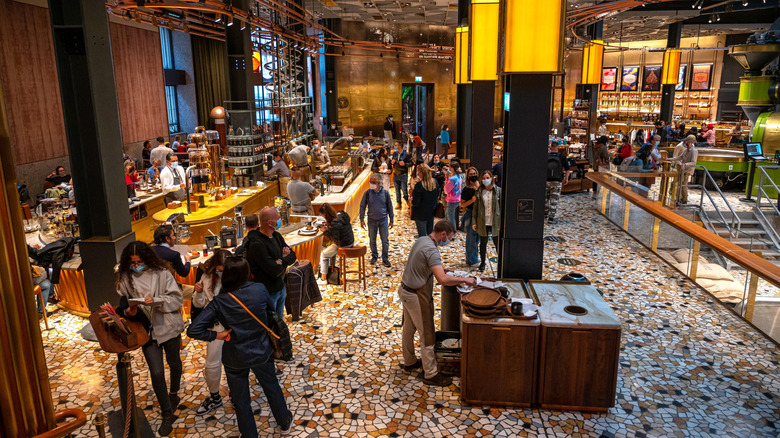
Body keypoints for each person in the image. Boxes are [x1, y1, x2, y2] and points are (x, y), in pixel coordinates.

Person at [187, 256, 294, 437]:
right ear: (247, 272)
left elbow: (193, 329)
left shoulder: (221, 300)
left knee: (241, 399)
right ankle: (284, 422)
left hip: (235, 355)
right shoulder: (259, 289)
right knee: (271, 386)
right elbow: (271, 312)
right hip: (261, 349)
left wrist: (217, 335)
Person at [114, 241, 183, 436]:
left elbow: (177, 299)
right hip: (147, 332)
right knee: (157, 373)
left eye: (139, 262)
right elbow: (123, 307)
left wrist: (157, 301)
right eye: (133, 263)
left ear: (147, 259)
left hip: (168, 326)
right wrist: (129, 311)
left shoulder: (162, 274)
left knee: (174, 362)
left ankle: (174, 393)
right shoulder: (126, 278)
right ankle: (167, 413)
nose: (136, 266)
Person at [398, 219, 477, 386]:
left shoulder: (422, 239)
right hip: (415, 295)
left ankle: (410, 361)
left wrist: (442, 269)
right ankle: (431, 374)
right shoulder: (432, 251)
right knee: (427, 333)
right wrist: (464, 279)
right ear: (443, 234)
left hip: (405, 290)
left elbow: (426, 266)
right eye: (449, 237)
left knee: (409, 328)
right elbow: (442, 279)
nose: (448, 240)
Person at [191, 249, 231, 415]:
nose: (221, 274)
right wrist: (199, 293)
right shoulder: (206, 277)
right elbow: (199, 305)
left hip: (233, 325)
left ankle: (237, 394)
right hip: (215, 327)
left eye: (224, 270)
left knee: (234, 362)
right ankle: (215, 397)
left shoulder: (236, 277)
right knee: (212, 364)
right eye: (218, 270)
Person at [241, 209, 297, 318]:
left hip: (280, 287)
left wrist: (281, 260)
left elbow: (293, 255)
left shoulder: (276, 236)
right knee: (270, 324)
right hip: (268, 292)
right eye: (277, 218)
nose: (280, 220)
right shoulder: (257, 244)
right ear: (270, 223)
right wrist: (284, 258)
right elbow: (273, 271)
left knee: (279, 322)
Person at [359, 174, 394, 266]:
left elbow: (390, 207)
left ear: (378, 183)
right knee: (372, 240)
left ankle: (385, 258)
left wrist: (392, 220)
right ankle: (374, 256)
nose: (371, 184)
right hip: (371, 221)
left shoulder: (385, 193)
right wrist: (361, 219)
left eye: (373, 182)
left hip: (383, 220)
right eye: (370, 182)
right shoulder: (367, 193)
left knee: (385, 241)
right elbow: (362, 206)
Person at [472, 170, 501, 272]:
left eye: (487, 178)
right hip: (482, 221)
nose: (485, 180)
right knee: (483, 243)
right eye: (483, 178)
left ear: (492, 178)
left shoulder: (498, 190)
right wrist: (474, 221)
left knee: (497, 243)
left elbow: (502, 207)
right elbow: (475, 207)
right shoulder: (479, 191)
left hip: (495, 221)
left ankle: (501, 263)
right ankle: (483, 263)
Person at [318, 203, 354, 279]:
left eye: (323, 216)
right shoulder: (341, 214)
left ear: (326, 215)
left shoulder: (335, 223)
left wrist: (325, 231)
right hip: (350, 241)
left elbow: (335, 239)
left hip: (343, 245)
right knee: (331, 250)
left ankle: (323, 278)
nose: (323, 217)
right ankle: (331, 270)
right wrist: (329, 225)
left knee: (324, 255)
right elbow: (340, 229)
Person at [666, 135, 698, 204]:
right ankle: (679, 199)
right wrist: (668, 159)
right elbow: (678, 157)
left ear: (689, 142)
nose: (685, 142)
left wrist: (685, 164)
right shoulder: (686, 150)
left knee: (684, 185)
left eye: (686, 141)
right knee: (680, 184)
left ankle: (684, 200)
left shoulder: (694, 151)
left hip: (688, 170)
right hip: (683, 169)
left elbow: (693, 162)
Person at [546, 141, 570, 225]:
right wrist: (566, 179)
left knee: (545, 198)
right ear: (558, 148)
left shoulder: (546, 156)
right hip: (557, 181)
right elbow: (567, 169)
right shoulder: (562, 157)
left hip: (546, 180)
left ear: (550, 147)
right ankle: (551, 218)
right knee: (554, 199)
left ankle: (544, 215)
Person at [460, 166, 481, 266]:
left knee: (477, 238)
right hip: (470, 214)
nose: (473, 176)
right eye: (471, 174)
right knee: (471, 238)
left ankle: (474, 256)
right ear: (468, 177)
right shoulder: (466, 190)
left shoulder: (480, 187)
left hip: (480, 215)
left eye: (474, 174)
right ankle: (471, 260)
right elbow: (462, 204)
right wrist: (471, 201)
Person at [443, 162, 462, 232]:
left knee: (450, 217)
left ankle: (453, 232)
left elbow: (446, 190)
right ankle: (448, 231)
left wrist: (446, 178)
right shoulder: (458, 177)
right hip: (457, 199)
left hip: (452, 200)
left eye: (450, 167)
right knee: (448, 216)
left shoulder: (453, 179)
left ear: (452, 168)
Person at [391, 141, 410, 209]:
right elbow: (393, 161)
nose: (395, 146)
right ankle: (398, 203)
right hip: (396, 173)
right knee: (397, 190)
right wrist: (392, 162)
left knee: (404, 190)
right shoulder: (395, 153)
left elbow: (411, 163)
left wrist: (405, 164)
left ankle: (407, 201)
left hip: (403, 174)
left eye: (396, 145)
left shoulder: (406, 154)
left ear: (400, 146)